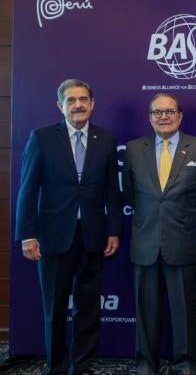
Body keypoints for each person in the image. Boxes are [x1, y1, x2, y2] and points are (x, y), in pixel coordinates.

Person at [15, 79, 122, 375]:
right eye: (71, 100)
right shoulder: (41, 138)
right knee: (56, 308)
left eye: (83, 99)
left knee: (88, 307)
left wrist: (114, 230)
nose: (78, 105)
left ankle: (82, 366)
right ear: (59, 105)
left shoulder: (106, 139)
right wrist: (27, 235)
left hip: (92, 236)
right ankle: (58, 368)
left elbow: (113, 191)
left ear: (92, 104)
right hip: (52, 237)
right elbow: (27, 190)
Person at [122, 93, 196, 375]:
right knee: (145, 313)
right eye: (157, 112)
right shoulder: (134, 149)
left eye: (170, 111)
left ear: (180, 116)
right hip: (145, 242)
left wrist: (184, 219)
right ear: (150, 117)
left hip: (183, 242)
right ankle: (145, 365)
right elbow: (130, 195)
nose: (164, 116)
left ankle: (186, 365)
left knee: (185, 313)